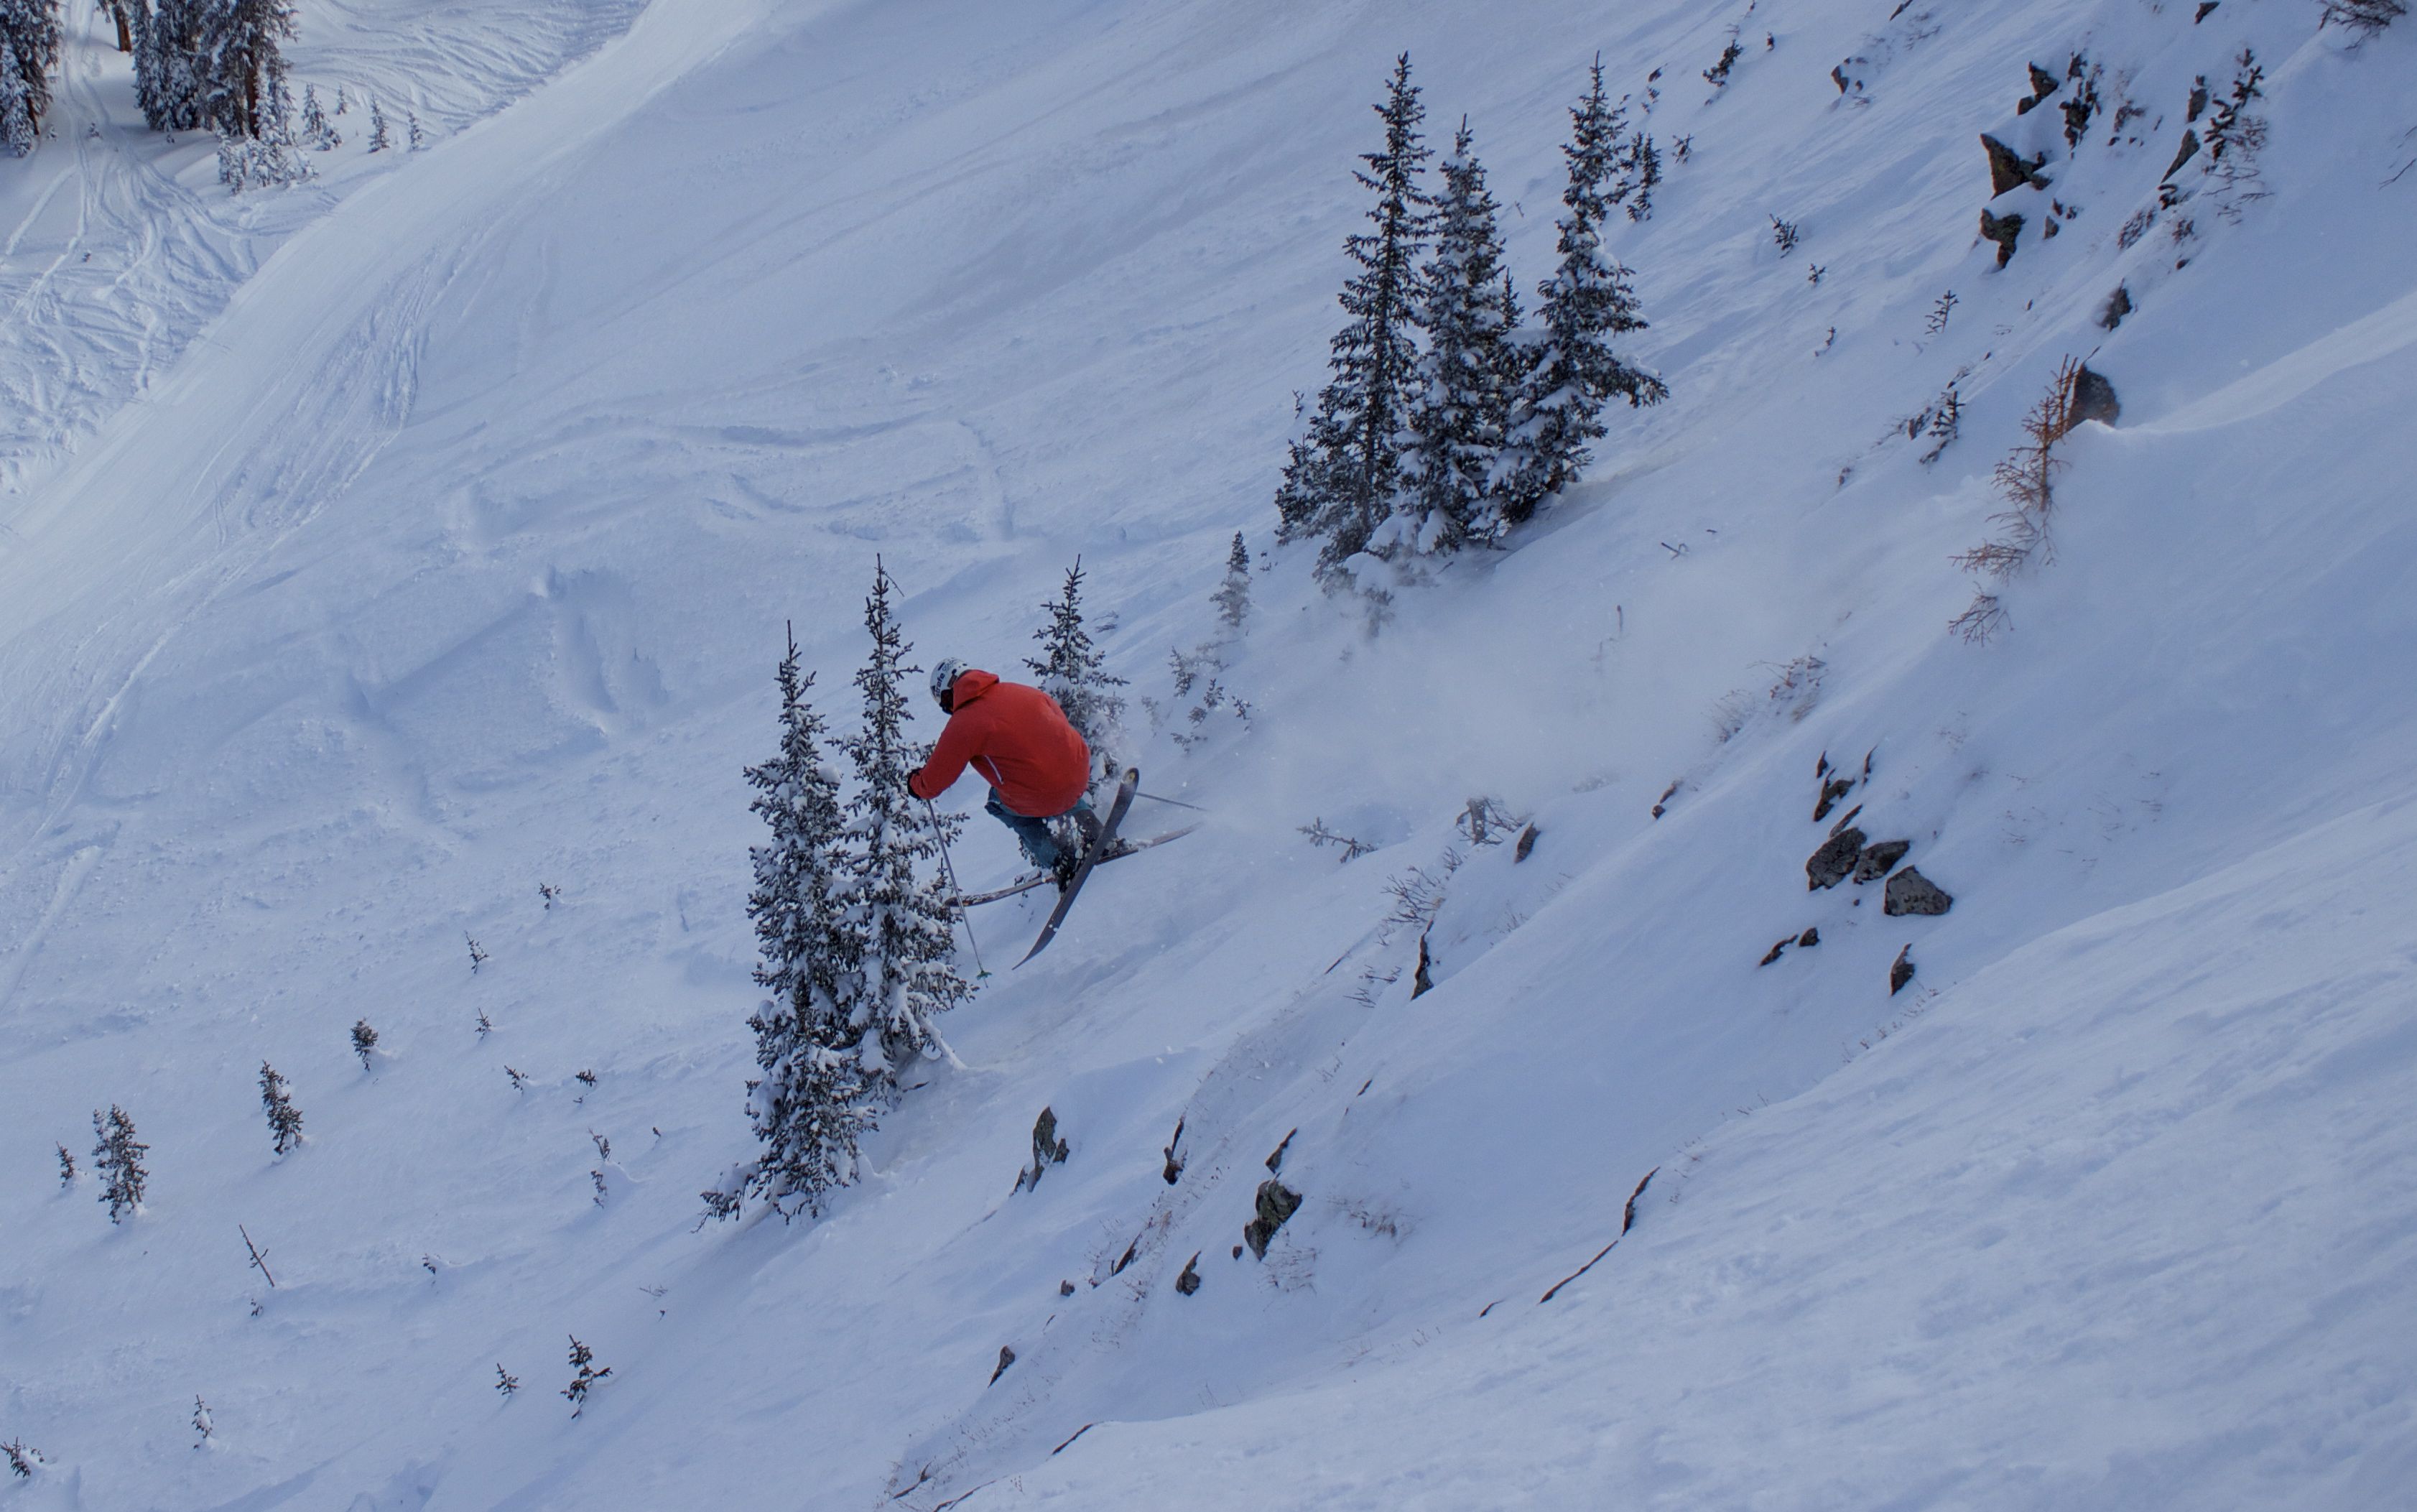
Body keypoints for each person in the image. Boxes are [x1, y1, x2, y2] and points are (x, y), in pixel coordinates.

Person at [909, 659, 1103, 883]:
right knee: (1051, 779)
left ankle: (1061, 860)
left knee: (997, 803)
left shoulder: (964, 723)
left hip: (1043, 792)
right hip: (1079, 770)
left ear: (946, 695)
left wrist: (915, 784)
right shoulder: (1020, 690)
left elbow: (933, 783)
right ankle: (1094, 830)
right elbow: (1058, 726)